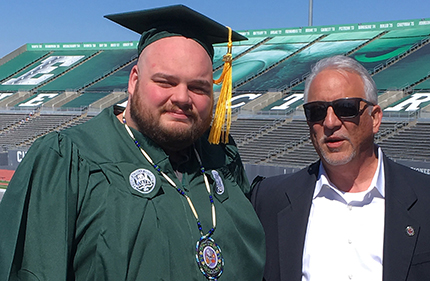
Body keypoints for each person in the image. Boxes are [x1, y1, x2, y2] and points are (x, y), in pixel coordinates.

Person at [0, 5, 265, 280]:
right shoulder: (69, 159)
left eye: (198, 87)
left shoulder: (221, 158)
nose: (183, 98)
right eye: (165, 82)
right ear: (134, 80)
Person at [252, 55, 430, 281]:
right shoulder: (268, 200)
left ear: (375, 118)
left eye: (346, 108)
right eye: (316, 111)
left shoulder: (425, 198)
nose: (329, 122)